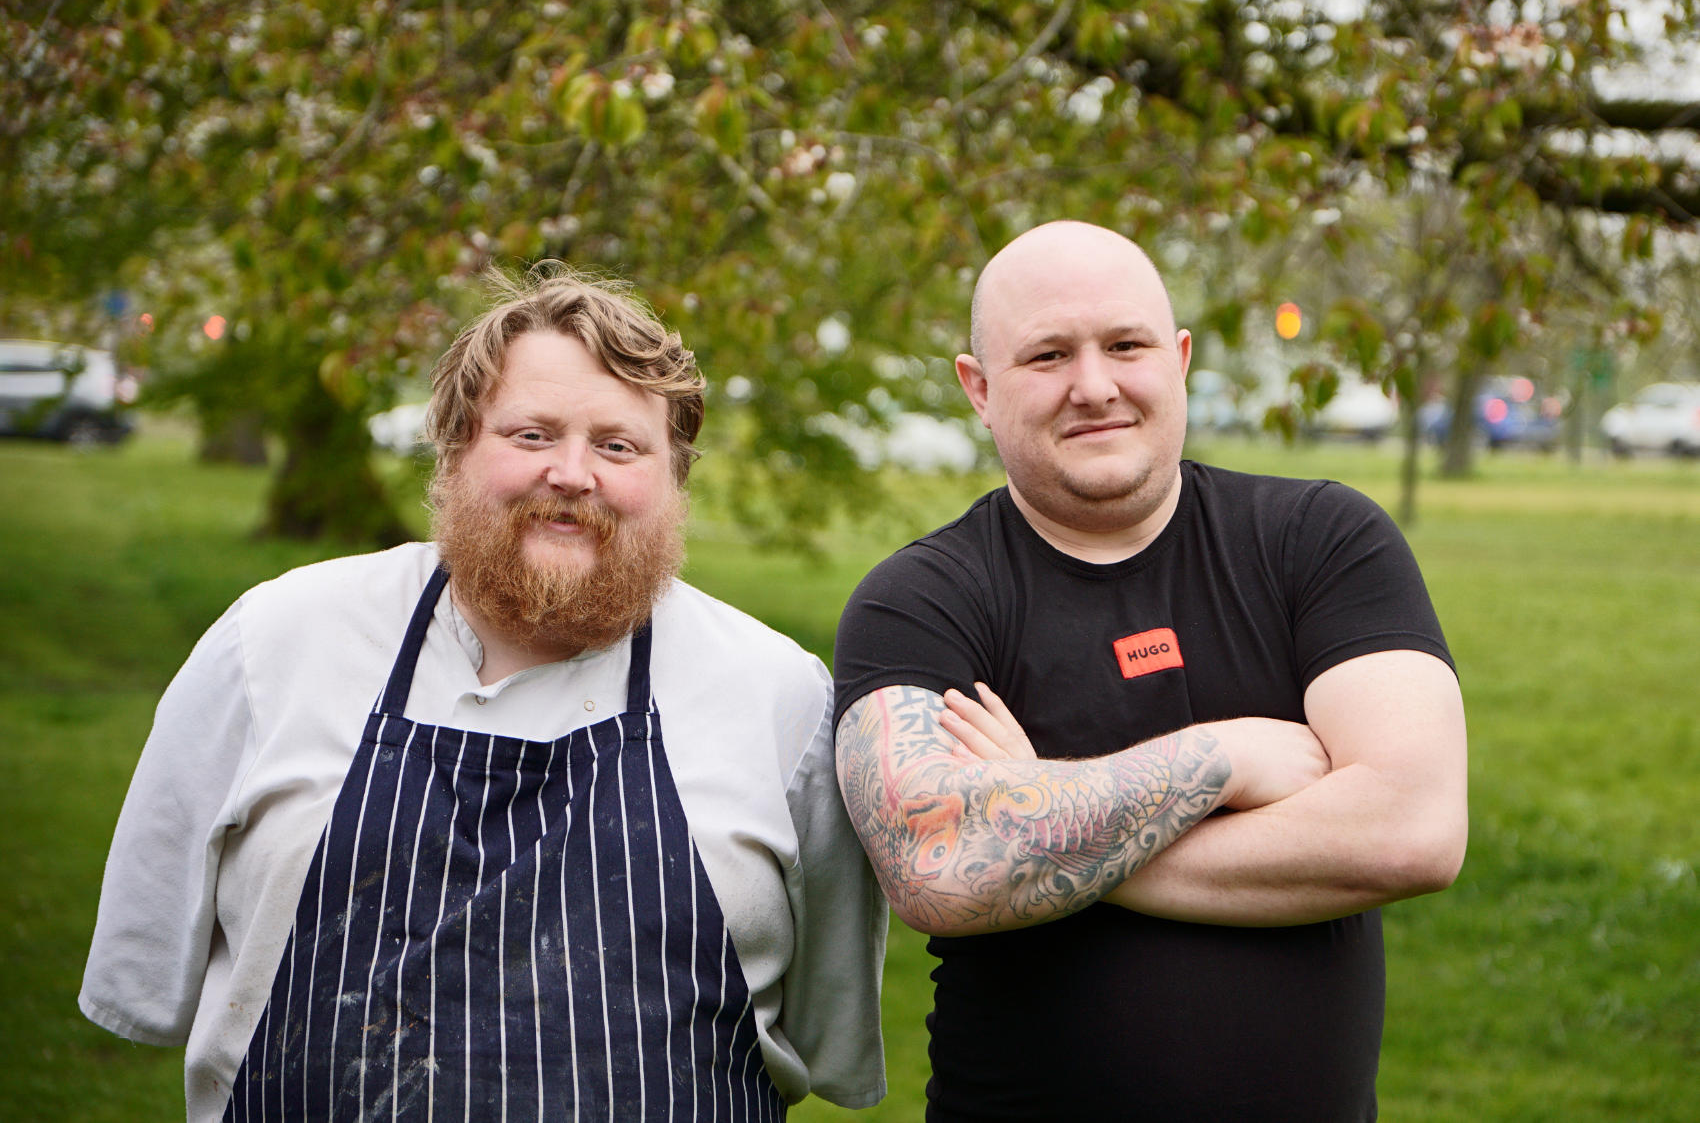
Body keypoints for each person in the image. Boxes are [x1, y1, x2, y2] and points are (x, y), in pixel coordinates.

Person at [81, 265, 887, 1121]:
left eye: (618, 445)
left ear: (673, 477)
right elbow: (145, 960)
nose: (572, 474)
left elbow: (826, 1025)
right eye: (532, 434)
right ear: (456, 446)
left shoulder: (780, 698)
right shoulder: (275, 642)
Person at [833, 220, 1468, 1121]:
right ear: (979, 388)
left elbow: (1413, 828)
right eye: (1047, 355)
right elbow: (935, 862)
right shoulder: (922, 600)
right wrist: (1226, 759)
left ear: (1177, 357)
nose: (1094, 387)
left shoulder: (1321, 542)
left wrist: (1034, 807)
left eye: (1125, 345)